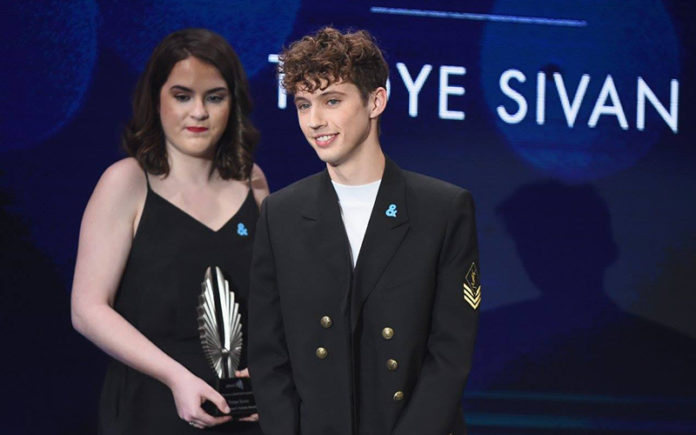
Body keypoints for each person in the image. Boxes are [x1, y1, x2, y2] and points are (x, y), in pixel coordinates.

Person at [248, 27, 480, 435]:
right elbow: (269, 357)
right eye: (303, 105)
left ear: (376, 101)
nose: (314, 121)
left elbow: (449, 353)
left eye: (331, 101)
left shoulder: (442, 209)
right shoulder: (281, 214)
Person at [71, 28, 268, 434]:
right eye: (182, 96)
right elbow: (88, 309)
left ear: (233, 103)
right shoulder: (125, 182)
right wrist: (175, 376)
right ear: (156, 98)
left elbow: (283, 302)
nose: (199, 112)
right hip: (153, 408)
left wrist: (271, 375)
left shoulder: (254, 183)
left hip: (243, 415)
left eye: (214, 97)